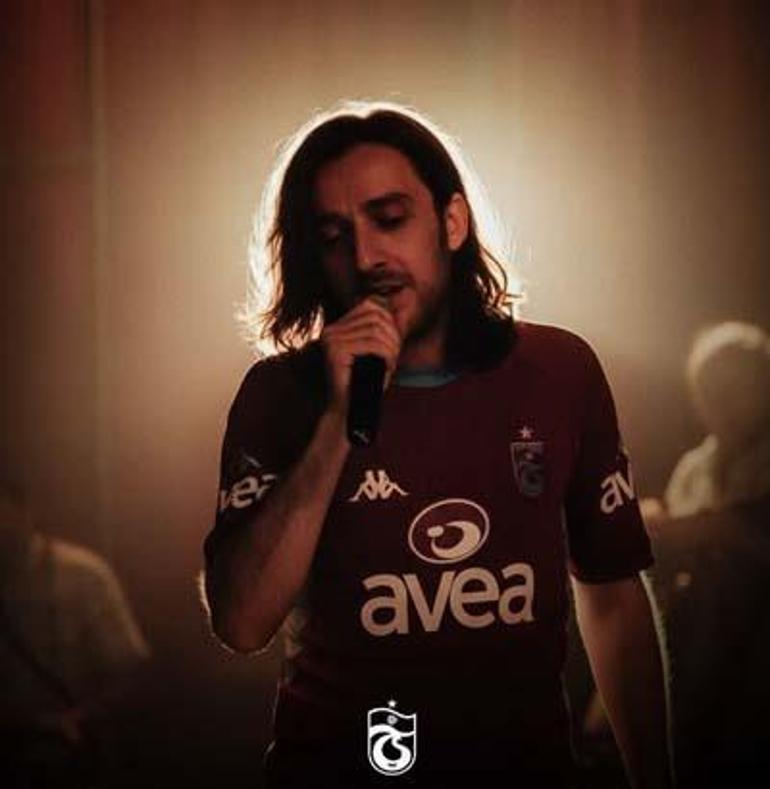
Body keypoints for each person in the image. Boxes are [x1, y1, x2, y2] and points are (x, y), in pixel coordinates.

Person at [202, 102, 673, 787]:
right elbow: (243, 623)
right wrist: (338, 422)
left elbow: (612, 593)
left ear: (452, 222)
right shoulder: (280, 393)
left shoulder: (559, 371)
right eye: (333, 235)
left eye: (390, 219)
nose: (365, 256)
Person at [0, 482, 150, 787]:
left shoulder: (83, 576)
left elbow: (130, 670)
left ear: (24, 512)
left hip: (71, 757)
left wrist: (77, 721)